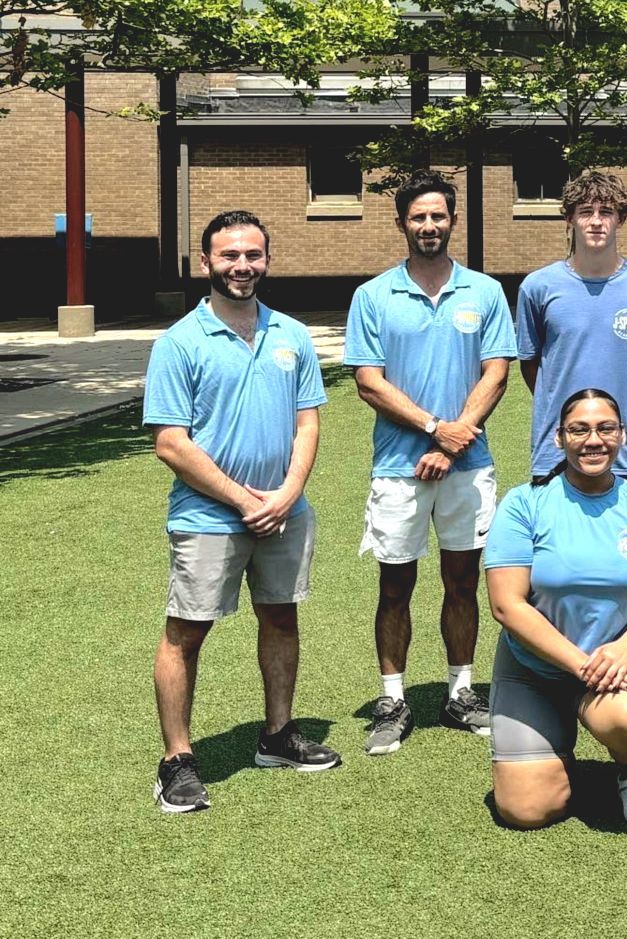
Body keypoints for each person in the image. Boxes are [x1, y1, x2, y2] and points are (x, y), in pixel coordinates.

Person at [146, 210, 338, 813]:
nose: (241, 266)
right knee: (186, 632)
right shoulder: (179, 343)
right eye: (229, 256)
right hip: (209, 518)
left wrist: (285, 494)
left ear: (267, 260)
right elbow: (171, 443)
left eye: (252, 255)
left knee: (280, 618)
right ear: (206, 263)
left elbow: (308, 423)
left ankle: (277, 736)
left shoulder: (292, 335)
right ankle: (177, 761)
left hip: (284, 510)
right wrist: (244, 500)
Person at [345, 172, 513, 754]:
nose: (429, 226)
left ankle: (461, 692)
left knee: (462, 582)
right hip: (398, 467)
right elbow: (369, 382)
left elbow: (497, 374)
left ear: (453, 221)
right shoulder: (372, 296)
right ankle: (393, 700)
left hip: (468, 465)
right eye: (418, 217)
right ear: (402, 223)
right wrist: (433, 430)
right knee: (396, 584)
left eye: (438, 216)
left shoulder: (485, 293)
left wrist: (450, 445)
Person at [483, 389, 627, 829]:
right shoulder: (524, 504)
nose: (594, 440)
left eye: (606, 428)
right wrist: (581, 664)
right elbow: (506, 605)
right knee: (527, 812)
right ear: (559, 438)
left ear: (623, 436)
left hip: (619, 661)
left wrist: (625, 649)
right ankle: (552, 747)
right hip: (533, 670)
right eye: (579, 429)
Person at [516, 170, 627, 486]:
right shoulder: (538, 287)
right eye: (586, 212)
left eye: (607, 212)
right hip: (555, 450)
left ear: (621, 219)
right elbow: (531, 363)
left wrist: (624, 404)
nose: (596, 221)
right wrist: (563, 408)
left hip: (624, 450)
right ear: (569, 219)